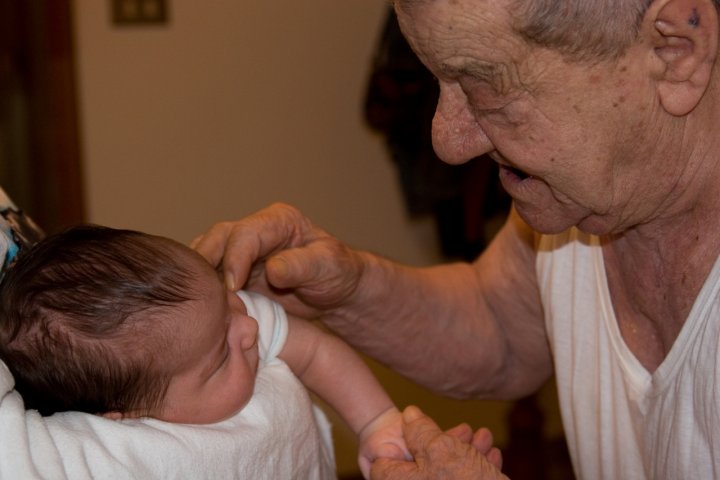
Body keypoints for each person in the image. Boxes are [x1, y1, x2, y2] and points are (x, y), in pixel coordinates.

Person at [191, 0, 720, 478]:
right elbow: (501, 326)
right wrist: (344, 289)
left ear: (675, 51)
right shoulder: (582, 204)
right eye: (437, 82)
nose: (447, 141)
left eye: (486, 88)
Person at [0, 224, 433, 479]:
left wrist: (377, 422)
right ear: (124, 413)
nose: (247, 330)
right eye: (219, 360)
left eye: (231, 303)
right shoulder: (93, 457)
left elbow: (317, 352)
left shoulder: (207, 321)